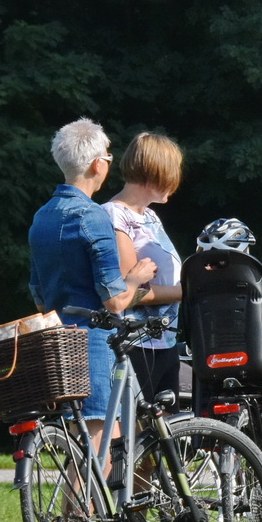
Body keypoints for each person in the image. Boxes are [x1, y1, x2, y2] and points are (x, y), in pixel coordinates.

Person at [28, 118, 159, 452]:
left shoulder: (43, 215)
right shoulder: (93, 215)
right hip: (94, 344)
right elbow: (115, 301)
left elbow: (40, 298)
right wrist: (135, 278)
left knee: (84, 444)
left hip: (58, 344)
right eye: (110, 157)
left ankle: (78, 506)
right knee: (99, 447)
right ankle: (81, 509)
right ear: (98, 164)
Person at [103, 132, 185, 400]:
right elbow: (130, 294)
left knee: (168, 432)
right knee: (138, 434)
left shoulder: (150, 216)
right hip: (135, 344)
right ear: (156, 173)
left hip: (165, 341)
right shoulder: (115, 215)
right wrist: (188, 291)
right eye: (173, 173)